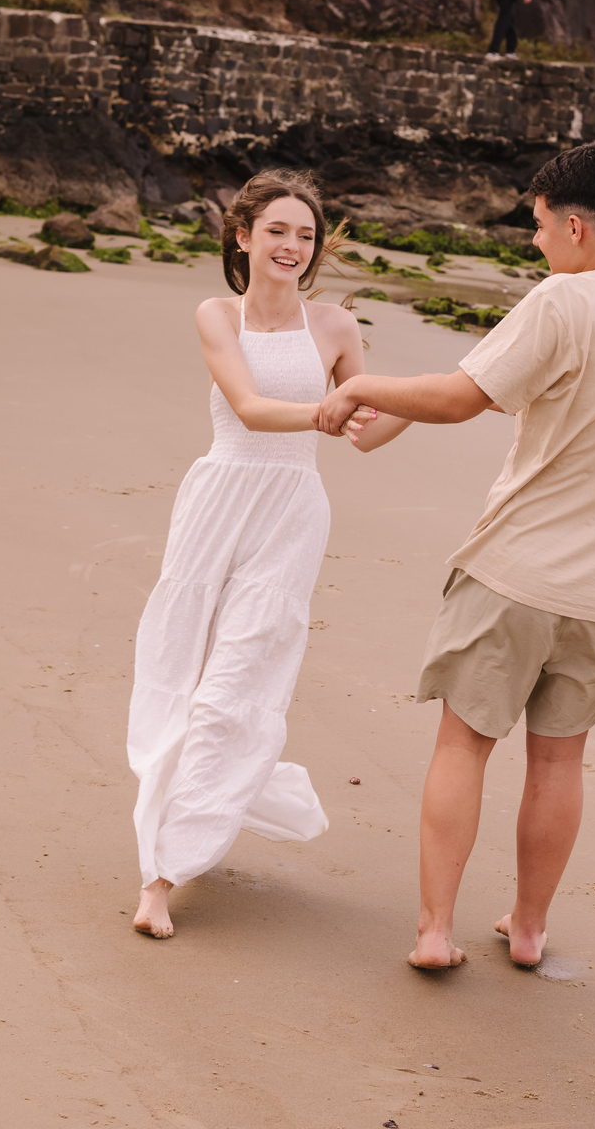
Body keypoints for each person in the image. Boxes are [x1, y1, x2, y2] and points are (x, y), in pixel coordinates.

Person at [316, 142, 595, 970]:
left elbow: (464, 397)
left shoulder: (564, 301)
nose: (534, 245)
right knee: (560, 762)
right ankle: (528, 931)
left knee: (464, 746)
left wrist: (360, 388)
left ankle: (432, 933)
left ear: (573, 225)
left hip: (517, 573)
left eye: (536, 227)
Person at [128, 170, 400, 938]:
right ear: (242, 236)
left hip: (291, 514)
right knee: (183, 675)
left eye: (305, 235)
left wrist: (423, 399)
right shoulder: (218, 314)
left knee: (236, 684)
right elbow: (248, 408)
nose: (292, 246)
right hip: (218, 502)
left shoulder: (337, 330)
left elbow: (369, 431)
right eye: (277, 231)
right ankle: (179, 825)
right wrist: (330, 409)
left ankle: (163, 876)